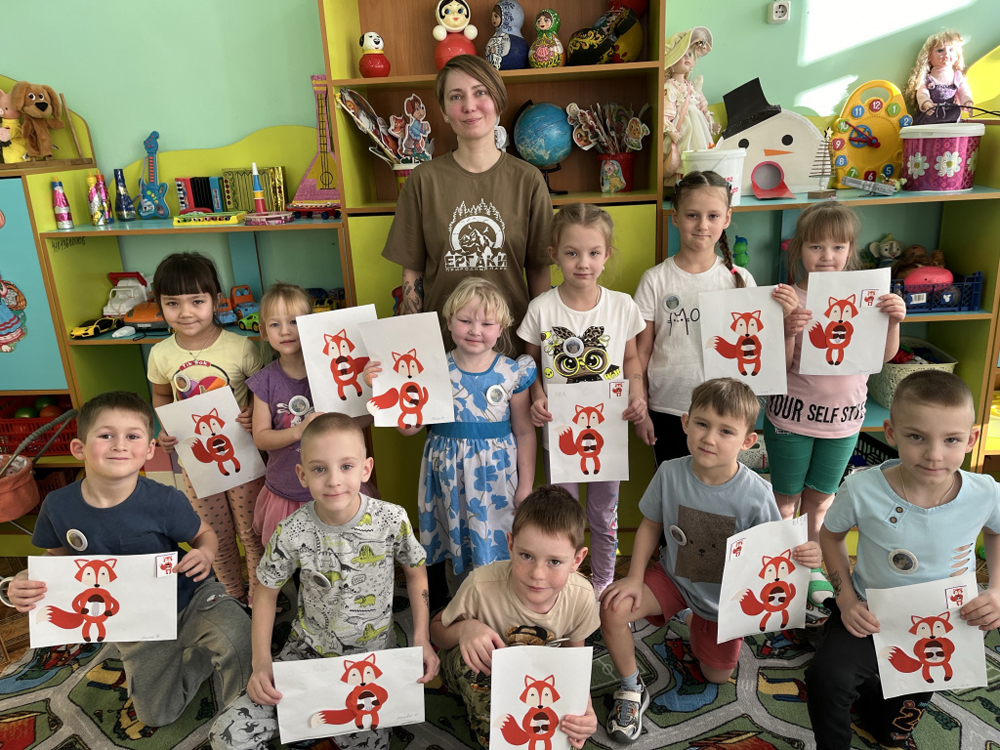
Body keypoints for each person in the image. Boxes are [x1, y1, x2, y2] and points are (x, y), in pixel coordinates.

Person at [2, 391, 252, 727]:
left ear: (149, 449)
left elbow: (204, 535)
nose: (120, 445)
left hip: (191, 596)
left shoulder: (165, 500)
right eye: (106, 435)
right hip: (135, 620)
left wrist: (205, 553)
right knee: (155, 716)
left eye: (132, 436)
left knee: (239, 634)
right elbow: (55, 560)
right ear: (78, 448)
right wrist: (20, 582)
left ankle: (248, 711)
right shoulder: (58, 507)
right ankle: (199, 658)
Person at [599, 378, 820, 743]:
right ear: (686, 423)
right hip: (673, 579)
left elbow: (776, 553)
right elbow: (650, 525)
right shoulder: (669, 472)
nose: (710, 438)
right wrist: (635, 577)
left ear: (748, 441)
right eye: (702, 424)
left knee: (716, 676)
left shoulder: (757, 494)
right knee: (613, 609)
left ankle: (694, 619)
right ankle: (631, 687)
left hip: (723, 601)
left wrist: (806, 554)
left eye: (726, 431)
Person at [210, 413, 438, 750]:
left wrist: (421, 638)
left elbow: (416, 572)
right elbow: (266, 594)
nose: (333, 480)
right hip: (306, 654)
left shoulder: (392, 519)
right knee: (227, 736)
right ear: (302, 474)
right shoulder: (291, 531)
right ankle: (311, 722)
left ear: (366, 469)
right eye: (319, 469)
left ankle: (316, 726)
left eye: (346, 466)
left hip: (370, 661)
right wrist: (261, 662)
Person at [806, 370, 1000, 750]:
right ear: (891, 433)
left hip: (946, 624)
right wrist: (845, 600)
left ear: (971, 439)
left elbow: (996, 531)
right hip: (870, 614)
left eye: (951, 439)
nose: (934, 454)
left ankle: (876, 692)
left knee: (891, 730)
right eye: (916, 437)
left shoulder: (986, 492)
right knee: (827, 677)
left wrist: (996, 590)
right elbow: (830, 535)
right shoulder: (860, 489)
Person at [364, 277, 536, 602]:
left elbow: (525, 432)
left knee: (497, 545)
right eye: (465, 320)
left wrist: (525, 486)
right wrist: (383, 388)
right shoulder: (432, 369)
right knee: (456, 546)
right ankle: (459, 609)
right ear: (448, 321)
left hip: (496, 481)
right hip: (446, 478)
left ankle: (498, 607)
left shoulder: (512, 372)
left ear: (501, 328)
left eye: (487, 323)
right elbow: (410, 428)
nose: (475, 330)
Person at [517, 203, 647, 597]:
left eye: (593, 253)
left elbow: (631, 359)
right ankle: (568, 587)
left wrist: (637, 392)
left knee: (604, 516)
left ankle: (604, 583)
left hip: (608, 431)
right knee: (562, 517)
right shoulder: (541, 308)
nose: (583, 263)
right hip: (560, 432)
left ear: (607, 255)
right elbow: (528, 363)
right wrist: (537, 395)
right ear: (554, 255)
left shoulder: (622, 306)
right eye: (572, 253)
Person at [381, 54, 552, 352]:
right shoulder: (423, 180)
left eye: (480, 92)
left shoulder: (529, 180)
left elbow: (539, 271)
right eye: (456, 96)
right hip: (442, 350)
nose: (469, 106)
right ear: (444, 111)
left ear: (498, 101)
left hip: (511, 350)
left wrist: (538, 352)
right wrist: (415, 344)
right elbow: (412, 273)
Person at [766, 203, 905, 546]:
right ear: (798, 248)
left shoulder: (867, 298)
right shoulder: (788, 298)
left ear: (850, 249)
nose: (827, 256)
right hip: (791, 420)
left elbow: (883, 357)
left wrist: (893, 322)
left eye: (838, 246)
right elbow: (779, 367)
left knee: (820, 500)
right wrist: (787, 331)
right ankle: (781, 560)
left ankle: (812, 564)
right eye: (816, 246)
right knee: (785, 501)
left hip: (843, 422)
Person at [430, 485, 600, 750]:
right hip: (484, 669)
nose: (537, 574)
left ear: (577, 560)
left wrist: (583, 706)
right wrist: (465, 629)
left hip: (536, 677)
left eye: (554, 562)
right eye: (526, 556)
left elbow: (573, 660)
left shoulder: (582, 595)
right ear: (510, 545)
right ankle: (490, 734)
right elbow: (437, 631)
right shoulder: (480, 585)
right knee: (472, 665)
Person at [147, 252, 265, 605]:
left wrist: (252, 413)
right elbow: (161, 394)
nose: (186, 312)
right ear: (160, 306)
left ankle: (260, 597)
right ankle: (232, 596)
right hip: (196, 462)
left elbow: (261, 392)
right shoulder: (161, 354)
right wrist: (165, 427)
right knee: (215, 534)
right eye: (173, 303)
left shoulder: (240, 347)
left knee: (252, 533)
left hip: (243, 456)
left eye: (197, 301)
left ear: (216, 301)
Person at [635, 170, 755, 466]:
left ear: (726, 219)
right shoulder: (655, 280)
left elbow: (754, 350)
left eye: (713, 216)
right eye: (692, 215)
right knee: (673, 488)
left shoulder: (739, 279)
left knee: (717, 487)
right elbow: (641, 351)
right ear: (675, 217)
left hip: (725, 412)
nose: (702, 225)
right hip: (668, 408)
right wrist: (640, 407)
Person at [248, 282, 377, 547]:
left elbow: (357, 422)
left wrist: (377, 400)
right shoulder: (265, 381)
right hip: (287, 490)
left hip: (334, 488)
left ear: (310, 325)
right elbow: (260, 437)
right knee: (295, 556)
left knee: (343, 550)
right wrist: (298, 431)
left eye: (294, 322)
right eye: (275, 324)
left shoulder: (330, 374)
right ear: (263, 332)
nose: (285, 331)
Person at [662, 27, 719, 186]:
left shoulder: (691, 86)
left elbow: (701, 107)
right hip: (684, 129)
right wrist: (670, 131)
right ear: (672, 63)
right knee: (684, 155)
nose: (687, 58)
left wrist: (710, 124)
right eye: (682, 55)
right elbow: (666, 112)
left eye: (689, 54)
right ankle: (683, 185)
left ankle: (699, 183)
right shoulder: (670, 87)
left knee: (699, 156)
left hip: (698, 128)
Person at [905, 30, 974, 125]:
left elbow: (964, 91)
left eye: (951, 50)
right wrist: (925, 103)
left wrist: (967, 102)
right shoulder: (926, 78)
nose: (946, 54)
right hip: (930, 118)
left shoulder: (957, 77)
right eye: (940, 50)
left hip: (952, 119)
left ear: (957, 55)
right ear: (929, 56)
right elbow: (922, 93)